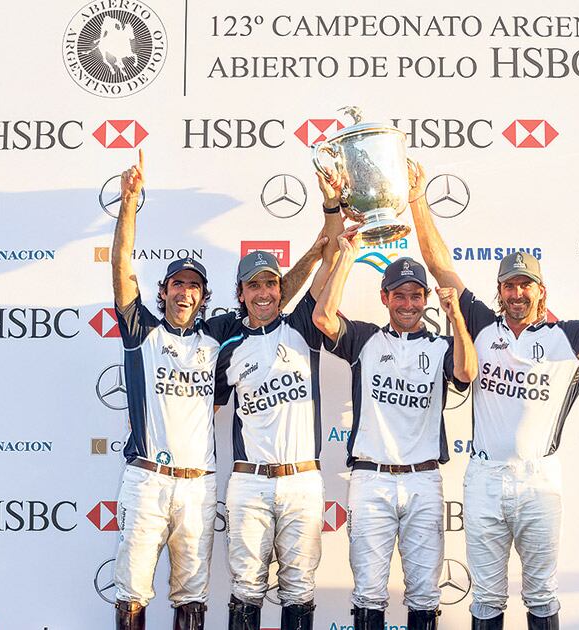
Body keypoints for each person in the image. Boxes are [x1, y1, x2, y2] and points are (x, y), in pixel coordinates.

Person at [407, 162, 579, 630]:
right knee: (487, 598)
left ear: (541, 290)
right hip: (484, 477)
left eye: (526, 285)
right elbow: (439, 265)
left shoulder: (569, 336)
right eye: (509, 285)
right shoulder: (480, 323)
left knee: (540, 594)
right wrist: (418, 198)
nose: (517, 293)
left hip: (539, 479)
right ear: (499, 291)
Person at [110, 150, 330, 630]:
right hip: (147, 479)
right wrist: (129, 204)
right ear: (163, 291)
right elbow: (122, 267)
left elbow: (274, 296)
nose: (185, 293)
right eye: (177, 285)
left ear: (205, 295)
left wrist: (316, 251)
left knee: (191, 597)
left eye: (194, 286)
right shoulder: (140, 330)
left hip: (200, 483)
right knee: (132, 593)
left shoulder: (220, 335)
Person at [311, 227, 478, 630]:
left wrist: (455, 315)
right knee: (368, 592)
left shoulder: (440, 345)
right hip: (371, 480)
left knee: (424, 593)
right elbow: (322, 316)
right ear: (384, 298)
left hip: (423, 480)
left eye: (415, 295)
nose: (407, 303)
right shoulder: (366, 339)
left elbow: (467, 372)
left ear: (425, 299)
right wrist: (347, 256)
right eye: (398, 295)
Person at [214, 170, 346, 630]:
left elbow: (329, 254)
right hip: (248, 483)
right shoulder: (226, 344)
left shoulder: (303, 326)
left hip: (302, 482)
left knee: (299, 588)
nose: (264, 293)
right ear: (242, 294)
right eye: (254, 286)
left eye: (271, 284)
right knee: (246, 588)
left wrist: (331, 206)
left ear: (279, 288)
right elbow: (205, 405)